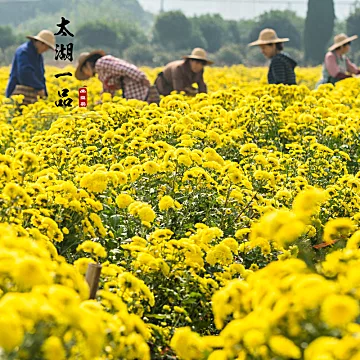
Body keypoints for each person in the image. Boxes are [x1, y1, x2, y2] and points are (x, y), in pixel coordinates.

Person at [75, 50, 157, 103]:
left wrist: (142, 78)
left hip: (137, 87)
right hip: (129, 92)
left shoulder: (101, 63)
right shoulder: (100, 72)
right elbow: (108, 90)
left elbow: (124, 68)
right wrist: (103, 101)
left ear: (87, 65)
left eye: (83, 71)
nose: (86, 74)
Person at [6, 30, 55, 105]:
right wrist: (39, 87)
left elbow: (41, 76)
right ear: (40, 43)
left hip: (30, 95)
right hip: (18, 93)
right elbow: (25, 73)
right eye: (47, 47)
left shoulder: (38, 55)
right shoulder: (24, 52)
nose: (46, 50)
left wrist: (45, 94)